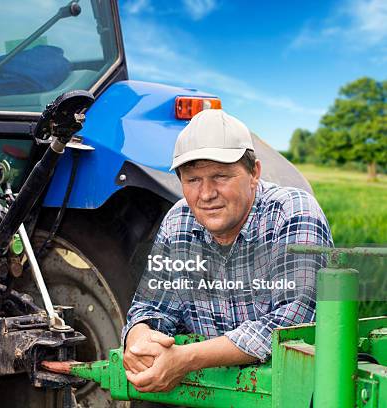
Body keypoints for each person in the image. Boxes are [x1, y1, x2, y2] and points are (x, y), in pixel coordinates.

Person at [121, 109, 333, 393]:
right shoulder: (178, 222)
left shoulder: (292, 213)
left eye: (220, 176)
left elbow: (295, 321)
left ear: (254, 173)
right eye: (193, 180)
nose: (206, 194)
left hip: (295, 391)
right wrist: (139, 336)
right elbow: (152, 307)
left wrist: (188, 358)